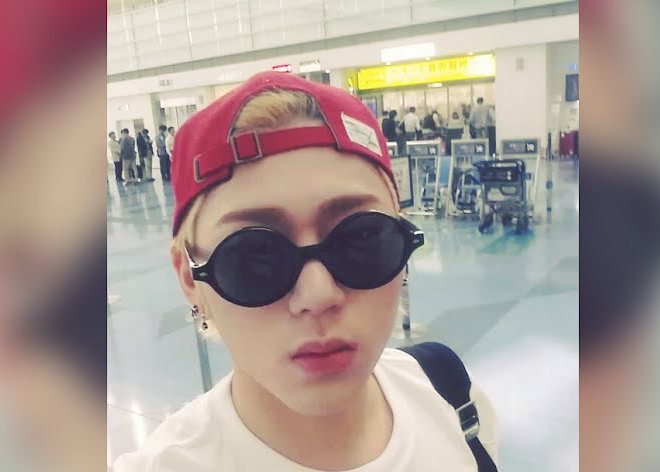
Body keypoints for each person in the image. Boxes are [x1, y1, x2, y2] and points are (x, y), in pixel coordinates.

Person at [114, 71, 498, 471]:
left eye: (363, 237)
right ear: (190, 278)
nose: (318, 295)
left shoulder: (452, 397)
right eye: (255, 255)